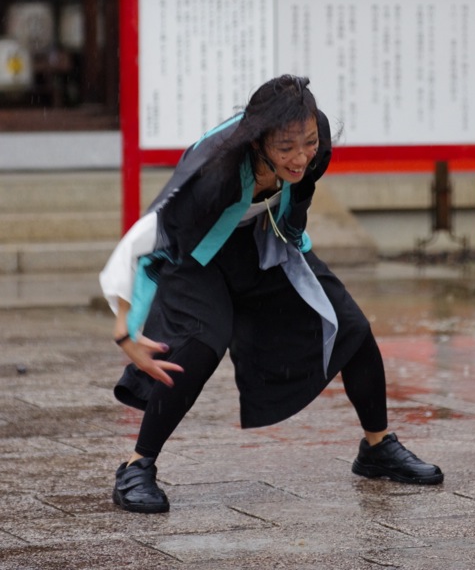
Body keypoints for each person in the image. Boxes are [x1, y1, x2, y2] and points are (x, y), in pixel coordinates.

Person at [100, 75, 443, 514]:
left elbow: (298, 197)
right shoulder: (215, 170)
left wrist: (298, 247)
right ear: (257, 139)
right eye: (286, 148)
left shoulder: (311, 145)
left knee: (349, 325)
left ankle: (376, 448)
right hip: (197, 252)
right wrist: (125, 328)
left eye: (309, 143)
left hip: (261, 241)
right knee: (201, 343)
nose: (301, 157)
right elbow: (143, 241)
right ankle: (136, 466)